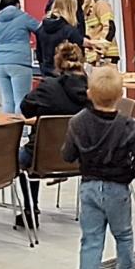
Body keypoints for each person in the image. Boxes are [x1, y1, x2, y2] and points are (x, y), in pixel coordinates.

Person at [62, 65, 135, 269]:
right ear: (120, 95)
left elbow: (67, 155)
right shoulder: (127, 125)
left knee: (91, 240)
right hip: (117, 188)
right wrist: (126, 175)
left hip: (89, 186)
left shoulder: (78, 122)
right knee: (123, 235)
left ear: (89, 93)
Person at [17, 40, 88, 226]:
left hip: (42, 156)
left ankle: (30, 209)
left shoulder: (48, 87)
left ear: (57, 63)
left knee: (19, 159)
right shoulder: (92, 90)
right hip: (82, 157)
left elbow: (25, 108)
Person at [0, 0, 40, 113]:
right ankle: (21, 125)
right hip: (19, 63)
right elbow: (40, 29)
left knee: (8, 102)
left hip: (0, 64)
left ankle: (9, 125)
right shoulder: (23, 17)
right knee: (21, 101)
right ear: (17, 5)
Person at [35, 0, 84, 77]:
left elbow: (39, 56)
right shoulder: (70, 31)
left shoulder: (41, 29)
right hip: (67, 78)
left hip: (47, 77)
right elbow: (79, 58)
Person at [83, 0, 119, 67]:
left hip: (106, 57)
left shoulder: (100, 4)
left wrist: (101, 50)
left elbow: (110, 28)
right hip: (91, 59)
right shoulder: (82, 9)